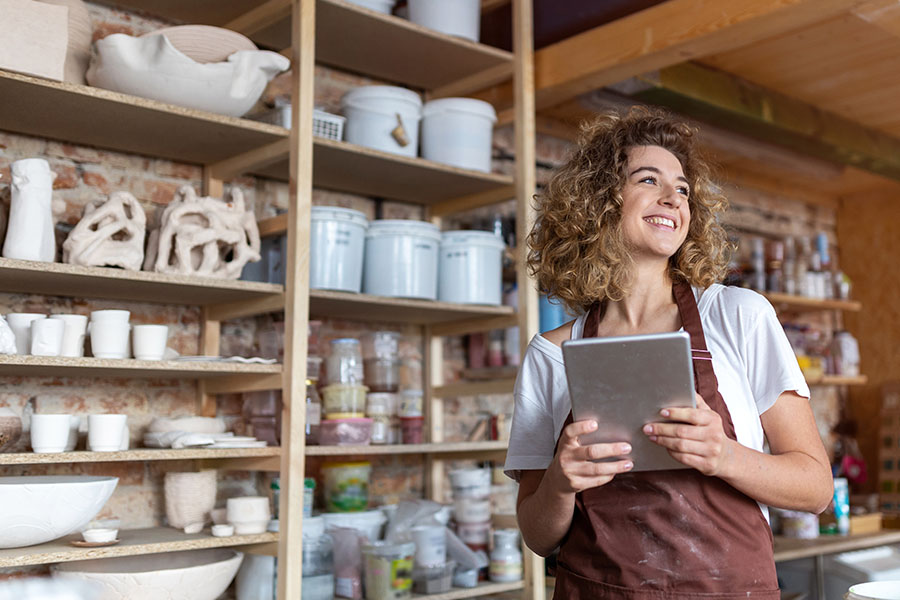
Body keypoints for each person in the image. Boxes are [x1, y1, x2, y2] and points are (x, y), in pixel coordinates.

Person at [504, 108, 833, 598]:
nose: (672, 198)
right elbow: (536, 534)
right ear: (599, 202)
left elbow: (816, 489)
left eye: (681, 189)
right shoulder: (552, 356)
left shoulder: (738, 316)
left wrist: (724, 456)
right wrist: (559, 483)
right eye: (649, 179)